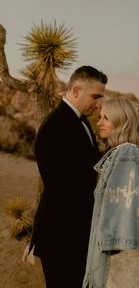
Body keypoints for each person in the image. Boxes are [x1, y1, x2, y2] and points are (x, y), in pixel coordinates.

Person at [28, 65, 108, 288]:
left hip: (77, 232)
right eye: (95, 96)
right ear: (75, 90)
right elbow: (64, 187)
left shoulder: (80, 121)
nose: (98, 103)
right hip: (61, 234)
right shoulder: (56, 126)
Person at [83, 97, 139, 288]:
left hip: (120, 249)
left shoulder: (127, 154)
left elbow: (127, 204)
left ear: (121, 120)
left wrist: (111, 246)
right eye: (100, 117)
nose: (99, 122)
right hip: (125, 245)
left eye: (106, 117)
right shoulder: (131, 153)